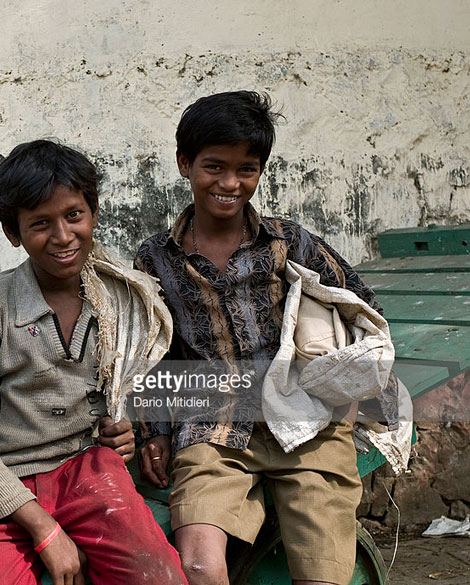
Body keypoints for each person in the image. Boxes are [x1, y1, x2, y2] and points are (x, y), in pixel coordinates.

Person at [135, 91, 401, 585]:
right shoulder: (155, 260)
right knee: (196, 564)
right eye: (214, 166)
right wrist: (154, 431)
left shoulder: (289, 242)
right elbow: (154, 352)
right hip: (212, 425)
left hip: (305, 421)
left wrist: (351, 398)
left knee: (322, 573)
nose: (230, 183)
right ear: (184, 163)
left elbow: (364, 313)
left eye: (247, 169)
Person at [0, 139, 187, 585]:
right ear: (12, 233)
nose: (62, 236)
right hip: (2, 484)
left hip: (88, 469)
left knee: (158, 575)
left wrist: (122, 431)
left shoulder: (121, 298)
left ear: (92, 212)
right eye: (40, 223)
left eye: (74, 215)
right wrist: (43, 528)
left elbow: (125, 384)